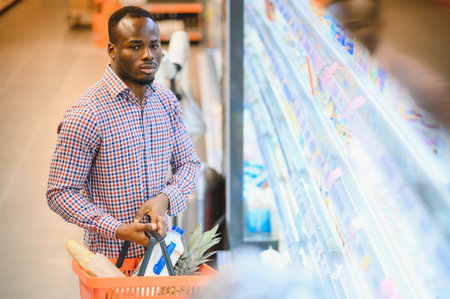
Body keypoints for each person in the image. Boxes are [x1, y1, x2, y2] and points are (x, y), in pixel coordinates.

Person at [46, 6, 200, 258]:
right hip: (112, 264)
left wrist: (165, 198)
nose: (148, 55)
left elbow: (189, 164)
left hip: (160, 261)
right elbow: (60, 192)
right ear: (112, 50)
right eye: (135, 46)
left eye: (155, 45)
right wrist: (118, 229)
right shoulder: (87, 114)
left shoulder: (166, 101)